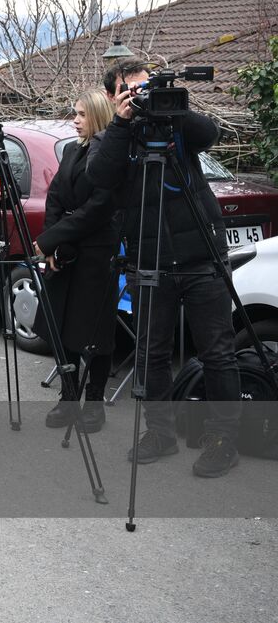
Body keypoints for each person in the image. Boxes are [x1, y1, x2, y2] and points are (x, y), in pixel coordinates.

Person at [88, 63, 241, 477]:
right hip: (148, 262)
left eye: (145, 88)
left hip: (201, 257)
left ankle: (224, 438)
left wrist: (172, 109)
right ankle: (160, 433)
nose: (140, 96)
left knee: (218, 353)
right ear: (112, 96)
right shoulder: (111, 137)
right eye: (130, 90)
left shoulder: (177, 129)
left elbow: (210, 134)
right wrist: (123, 122)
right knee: (150, 353)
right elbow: (99, 176)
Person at [34, 89, 120, 433]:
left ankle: (94, 403)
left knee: (95, 331)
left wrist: (53, 239)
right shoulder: (71, 149)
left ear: (98, 116)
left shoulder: (112, 156)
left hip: (97, 252)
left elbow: (98, 209)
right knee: (62, 326)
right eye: (75, 113)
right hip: (66, 250)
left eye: (81, 115)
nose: (75, 120)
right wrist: (54, 246)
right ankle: (68, 398)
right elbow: (55, 197)